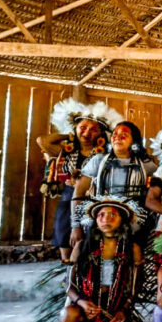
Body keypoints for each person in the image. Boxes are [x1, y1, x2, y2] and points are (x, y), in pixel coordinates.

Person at [38, 99, 122, 262]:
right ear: (75, 128)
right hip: (68, 196)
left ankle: (83, 270)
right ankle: (66, 267)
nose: (87, 132)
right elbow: (42, 141)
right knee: (64, 230)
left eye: (93, 130)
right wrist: (69, 134)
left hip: (93, 199)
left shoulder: (103, 155)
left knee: (89, 236)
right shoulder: (67, 150)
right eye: (83, 127)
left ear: (100, 134)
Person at [60, 196, 143, 322]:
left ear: (122, 220)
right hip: (85, 307)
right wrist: (81, 302)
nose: (106, 219)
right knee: (67, 317)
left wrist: (124, 309)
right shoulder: (83, 245)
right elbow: (67, 283)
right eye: (101, 215)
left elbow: (136, 285)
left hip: (114, 310)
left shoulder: (131, 248)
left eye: (113, 215)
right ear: (95, 220)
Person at [70, 121, 157, 251]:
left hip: (135, 221)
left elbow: (158, 192)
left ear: (134, 140)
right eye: (115, 134)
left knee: (135, 254)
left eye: (124, 134)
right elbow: (79, 193)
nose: (117, 137)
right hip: (101, 220)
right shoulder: (98, 161)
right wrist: (76, 227)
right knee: (81, 251)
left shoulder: (146, 165)